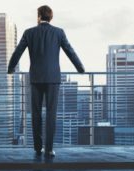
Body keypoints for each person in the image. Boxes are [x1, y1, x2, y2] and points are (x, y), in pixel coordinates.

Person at [8, 5, 85, 157]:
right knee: (51, 113)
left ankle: (37, 147)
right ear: (51, 17)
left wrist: (10, 69)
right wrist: (80, 68)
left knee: (36, 113)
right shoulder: (58, 32)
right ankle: (49, 149)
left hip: (36, 78)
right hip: (53, 79)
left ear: (38, 16)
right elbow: (70, 51)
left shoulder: (29, 33)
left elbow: (17, 52)